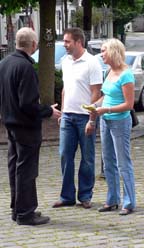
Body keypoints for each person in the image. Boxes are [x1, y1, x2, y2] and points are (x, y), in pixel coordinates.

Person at [0, 27, 61, 225]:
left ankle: (17, 209)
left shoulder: (4, 63)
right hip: (26, 127)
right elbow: (28, 104)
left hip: (11, 124)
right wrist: (48, 111)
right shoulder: (25, 67)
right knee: (26, 170)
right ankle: (26, 213)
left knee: (15, 168)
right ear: (33, 45)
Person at [53, 27, 103, 209]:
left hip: (84, 116)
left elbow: (96, 92)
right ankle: (67, 196)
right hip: (68, 116)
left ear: (78, 42)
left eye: (67, 41)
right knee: (65, 155)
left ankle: (85, 195)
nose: (64, 45)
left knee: (87, 158)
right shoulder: (65, 61)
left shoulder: (92, 63)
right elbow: (65, 88)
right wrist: (63, 111)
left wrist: (92, 119)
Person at [89, 38, 136, 216]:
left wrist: (105, 109)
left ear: (114, 52)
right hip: (105, 120)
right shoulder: (108, 71)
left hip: (120, 121)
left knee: (123, 163)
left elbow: (129, 104)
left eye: (103, 51)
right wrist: (95, 106)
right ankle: (112, 199)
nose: (101, 54)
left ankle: (129, 202)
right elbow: (106, 95)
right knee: (108, 161)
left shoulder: (126, 75)